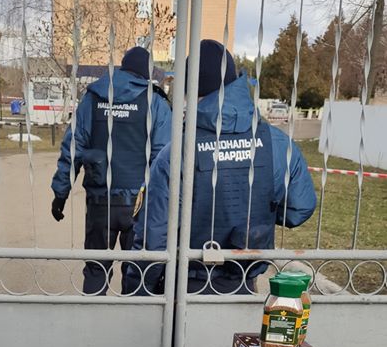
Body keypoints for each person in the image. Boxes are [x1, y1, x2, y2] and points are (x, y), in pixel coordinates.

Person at [122, 39, 317, 296]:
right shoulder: (277, 144)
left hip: (188, 287)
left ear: (191, 89)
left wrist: (138, 291)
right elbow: (299, 208)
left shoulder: (178, 152)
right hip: (244, 284)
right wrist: (259, 210)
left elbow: (154, 237)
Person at [50, 46, 172, 294]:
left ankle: (94, 316)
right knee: (137, 271)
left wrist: (60, 193)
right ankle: (129, 316)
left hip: (100, 202)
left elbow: (73, 147)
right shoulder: (155, 103)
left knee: (96, 269)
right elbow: (164, 158)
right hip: (140, 205)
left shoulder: (94, 97)